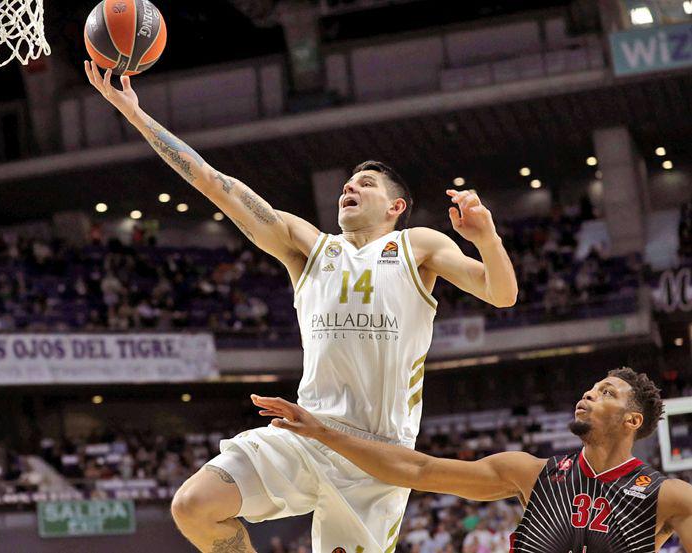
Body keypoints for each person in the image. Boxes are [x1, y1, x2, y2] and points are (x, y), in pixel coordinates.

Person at [85, 62, 519, 553]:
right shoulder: (307, 245)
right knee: (193, 506)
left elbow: (501, 294)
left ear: (396, 207)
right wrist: (137, 116)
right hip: (304, 430)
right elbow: (213, 182)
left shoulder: (418, 245)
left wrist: (487, 238)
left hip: (377, 455)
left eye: (366, 184)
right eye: (347, 185)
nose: (349, 188)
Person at [252, 367, 692, 551]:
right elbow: (417, 469)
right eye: (591, 389)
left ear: (633, 420)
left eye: (607, 393)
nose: (589, 395)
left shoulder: (670, 496)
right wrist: (324, 432)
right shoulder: (530, 473)